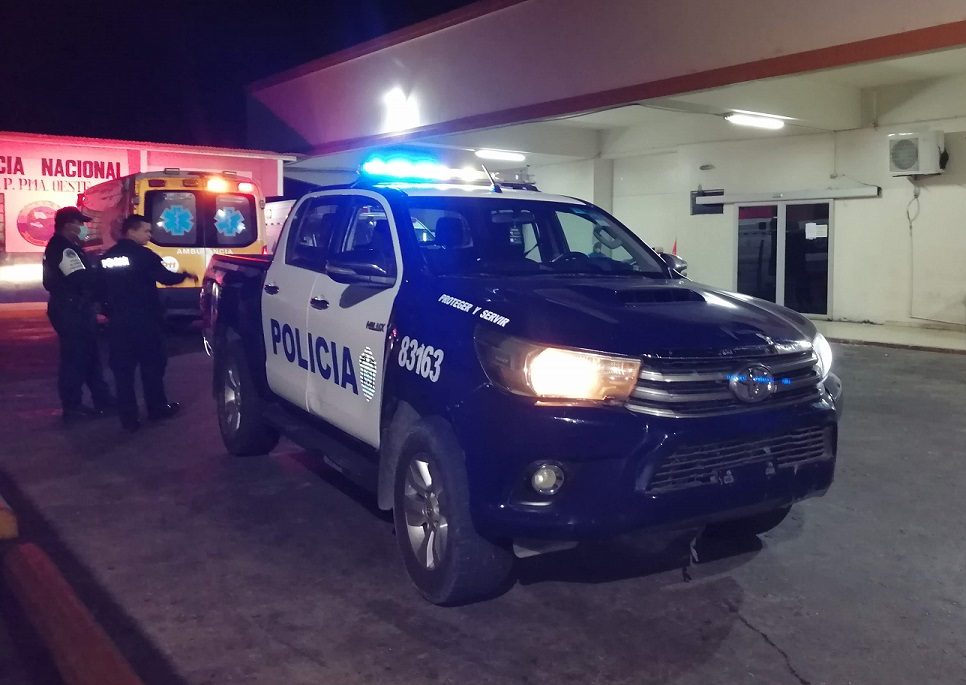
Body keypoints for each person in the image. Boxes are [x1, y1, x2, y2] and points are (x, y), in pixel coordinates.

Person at [100, 214, 198, 431]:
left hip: (118, 323)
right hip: (145, 322)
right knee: (152, 366)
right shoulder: (144, 255)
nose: (149, 235)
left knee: (123, 372)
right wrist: (184, 275)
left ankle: (129, 419)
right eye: (146, 231)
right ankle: (156, 408)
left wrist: (106, 311)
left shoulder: (107, 257)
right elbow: (165, 278)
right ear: (131, 231)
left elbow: (98, 288)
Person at [42, 206, 115, 422]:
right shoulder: (64, 248)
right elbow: (79, 279)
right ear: (68, 225)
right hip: (71, 309)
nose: (83, 227)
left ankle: (102, 398)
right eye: (79, 223)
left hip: (75, 307)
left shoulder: (69, 246)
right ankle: (72, 406)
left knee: (90, 355)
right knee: (74, 358)